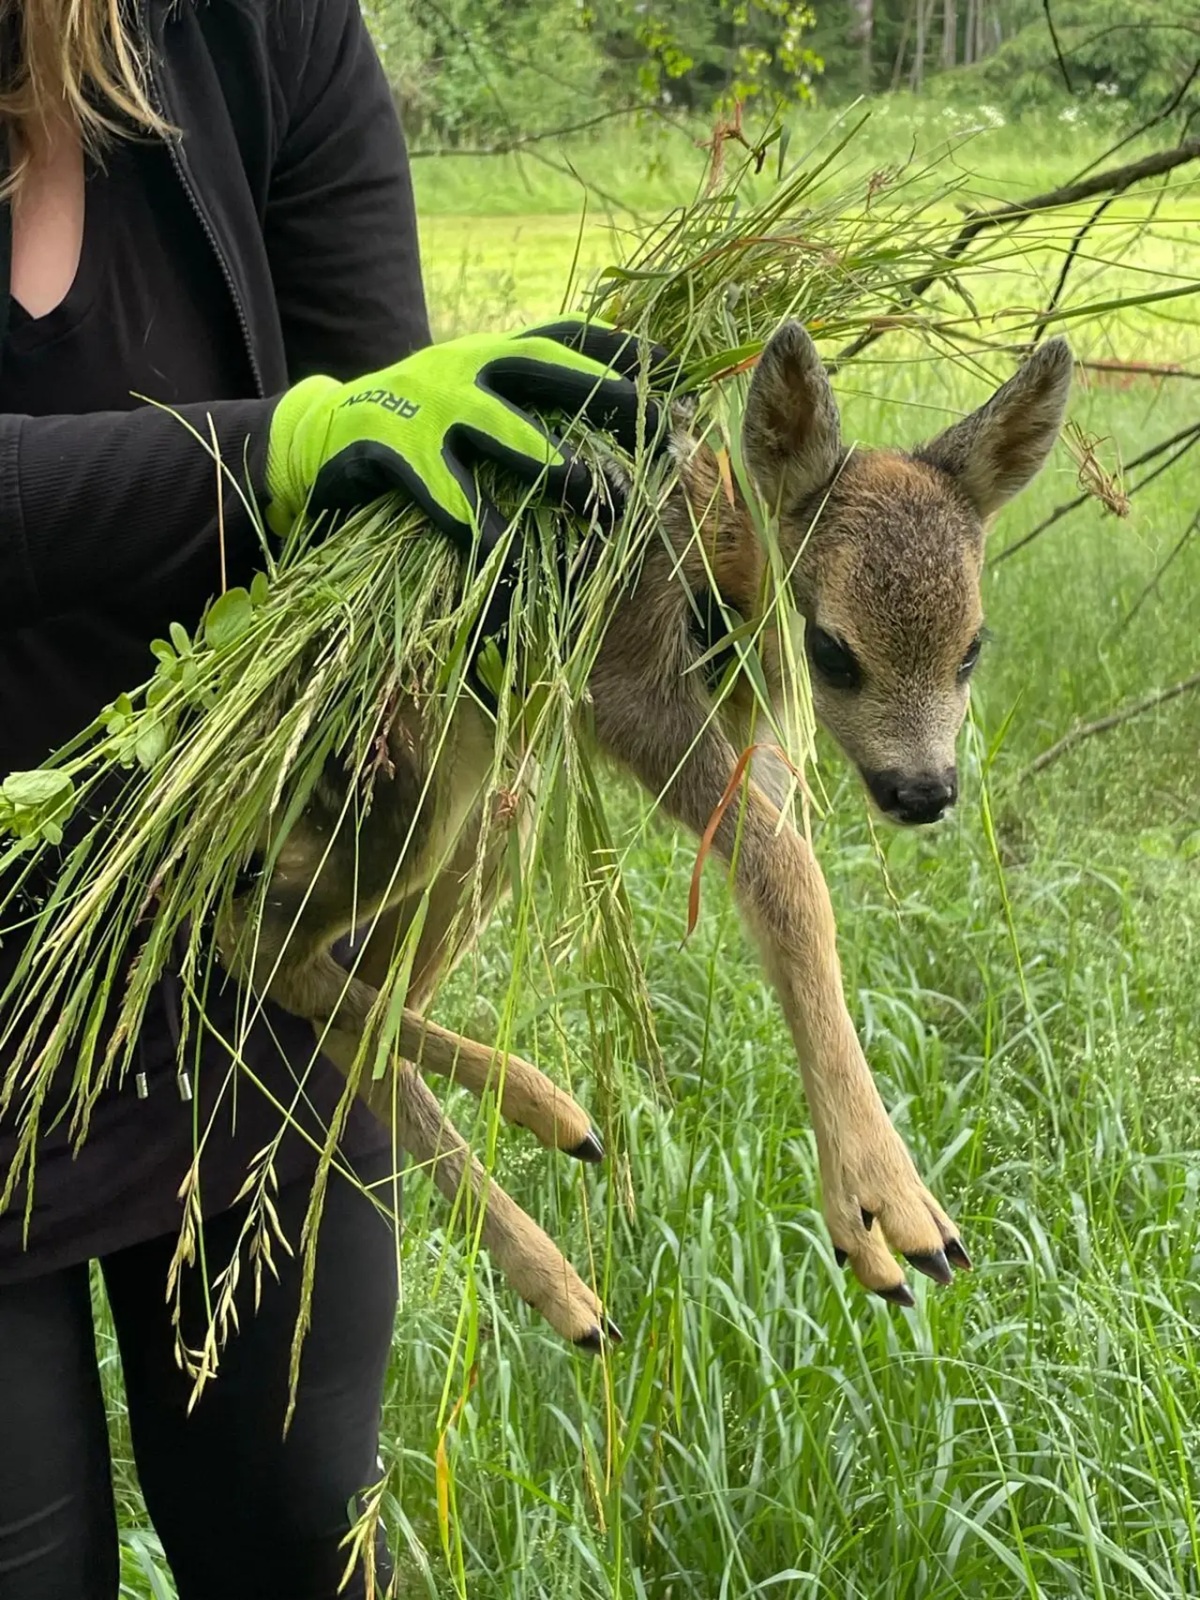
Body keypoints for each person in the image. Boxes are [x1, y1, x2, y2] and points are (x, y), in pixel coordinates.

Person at [0, 4, 655, 1596]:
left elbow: (398, 482)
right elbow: (320, 448)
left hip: (245, 935)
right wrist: (276, 451)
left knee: (299, 1530)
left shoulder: (258, 28)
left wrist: (541, 573)